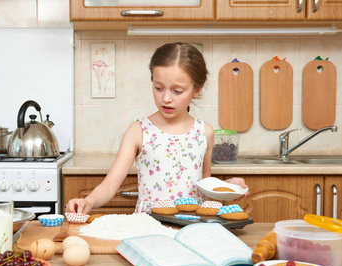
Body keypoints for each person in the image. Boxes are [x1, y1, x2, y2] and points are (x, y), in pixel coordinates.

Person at [66, 42, 248, 214]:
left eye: (177, 91)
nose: (166, 98)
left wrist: (228, 186)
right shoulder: (138, 130)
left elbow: (204, 184)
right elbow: (109, 185)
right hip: (149, 226)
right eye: (159, 88)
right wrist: (88, 202)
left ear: (197, 89)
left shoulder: (204, 132)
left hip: (192, 227)